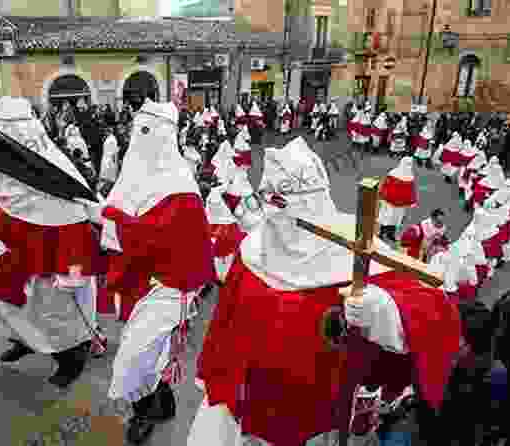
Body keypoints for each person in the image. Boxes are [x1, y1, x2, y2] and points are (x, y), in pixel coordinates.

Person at [188, 136, 461, 446]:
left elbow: (434, 311)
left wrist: (381, 309)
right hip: (248, 398)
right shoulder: (253, 250)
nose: (274, 217)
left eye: (281, 203)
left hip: (315, 409)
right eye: (268, 200)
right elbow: (227, 319)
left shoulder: (352, 253)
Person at [0, 97, 105, 389]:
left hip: (56, 259)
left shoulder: (52, 168)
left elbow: (73, 217)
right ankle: (23, 340)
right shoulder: (0, 166)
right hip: (15, 250)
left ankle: (70, 360)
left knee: (56, 318)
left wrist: (74, 273)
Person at [100, 100, 215, 444]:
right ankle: (159, 406)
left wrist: (109, 219)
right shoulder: (134, 172)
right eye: (139, 132)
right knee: (152, 353)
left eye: (149, 133)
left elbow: (155, 237)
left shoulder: (182, 188)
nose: (141, 140)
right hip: (137, 281)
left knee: (133, 358)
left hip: (168, 286)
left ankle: (145, 409)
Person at [377, 156, 418, 243]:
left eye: (410, 164)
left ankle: (391, 234)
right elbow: (386, 185)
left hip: (400, 205)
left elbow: (411, 190)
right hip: (389, 203)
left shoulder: (410, 176)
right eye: (407, 164)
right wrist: (383, 197)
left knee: (396, 220)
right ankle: (381, 233)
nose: (408, 166)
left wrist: (411, 201)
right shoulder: (393, 173)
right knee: (386, 218)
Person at [98, 127, 120, 195]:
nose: (104, 133)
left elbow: (115, 152)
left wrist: (115, 162)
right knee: (106, 177)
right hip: (106, 158)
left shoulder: (113, 139)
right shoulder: (108, 138)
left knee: (109, 178)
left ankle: (106, 192)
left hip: (110, 160)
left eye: (105, 131)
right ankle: (104, 192)